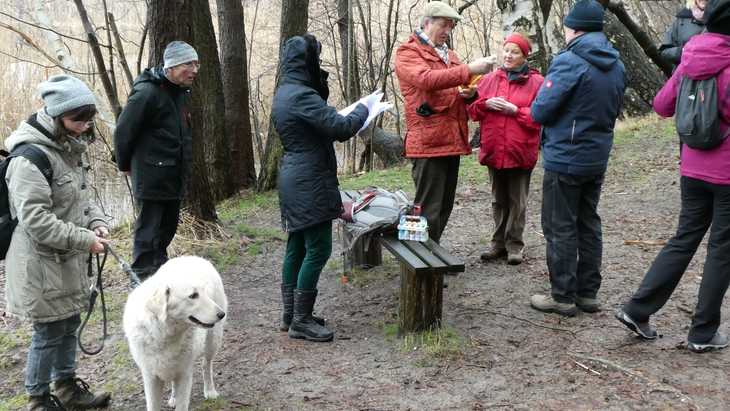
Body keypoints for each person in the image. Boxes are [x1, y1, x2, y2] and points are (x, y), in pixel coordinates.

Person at [616, 0, 730, 353]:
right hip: (726, 173)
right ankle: (702, 332)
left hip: (692, 168)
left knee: (684, 238)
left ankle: (638, 309)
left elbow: (662, 105)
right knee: (721, 250)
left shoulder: (690, 56)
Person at [3, 74, 111, 410]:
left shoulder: (69, 149)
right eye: (77, 120)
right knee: (47, 333)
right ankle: (38, 400)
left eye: (88, 119)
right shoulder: (29, 158)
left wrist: (96, 222)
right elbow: (36, 221)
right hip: (40, 265)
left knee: (69, 323)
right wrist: (85, 240)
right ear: (56, 116)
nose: (84, 127)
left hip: (68, 260)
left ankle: (67, 390)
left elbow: (81, 197)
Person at [273, 34, 381, 342]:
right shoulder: (301, 96)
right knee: (318, 248)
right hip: (310, 181)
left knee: (297, 245)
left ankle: (290, 315)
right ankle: (301, 320)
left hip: (295, 177)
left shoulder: (285, 92)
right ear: (307, 62)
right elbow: (342, 128)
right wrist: (365, 108)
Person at [529, 0, 626, 316]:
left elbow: (540, 110)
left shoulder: (569, 61)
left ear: (575, 28)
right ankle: (587, 294)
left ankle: (563, 296)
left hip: (565, 157)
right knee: (588, 222)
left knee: (560, 226)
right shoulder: (616, 64)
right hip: (596, 156)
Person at [395, 1, 495, 244]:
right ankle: (420, 265)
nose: (447, 31)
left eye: (451, 26)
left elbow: (461, 84)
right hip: (427, 142)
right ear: (427, 22)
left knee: (443, 206)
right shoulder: (408, 52)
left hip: (451, 139)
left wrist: (470, 92)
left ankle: (432, 258)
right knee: (427, 207)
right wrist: (468, 69)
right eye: (443, 25)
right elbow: (426, 80)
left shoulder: (449, 55)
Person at [113, 41, 198, 286]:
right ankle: (139, 282)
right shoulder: (147, 93)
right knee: (148, 233)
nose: (194, 70)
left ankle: (159, 278)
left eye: (196, 64)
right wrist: (123, 164)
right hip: (151, 175)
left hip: (173, 174)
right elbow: (123, 132)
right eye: (188, 64)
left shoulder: (180, 92)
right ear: (171, 66)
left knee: (166, 230)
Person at [466, 33, 544, 265]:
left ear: (524, 56)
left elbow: (541, 117)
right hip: (494, 149)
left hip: (520, 150)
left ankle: (515, 245)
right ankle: (497, 243)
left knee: (517, 200)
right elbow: (472, 112)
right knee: (498, 199)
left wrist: (515, 111)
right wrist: (484, 103)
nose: (508, 55)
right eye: (506, 50)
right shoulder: (489, 79)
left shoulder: (537, 82)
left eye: (515, 52)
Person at [659, 0, 707, 70]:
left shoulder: (723, 14)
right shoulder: (681, 19)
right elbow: (664, 51)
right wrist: (683, 51)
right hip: (687, 75)